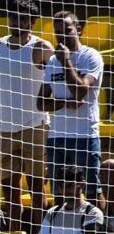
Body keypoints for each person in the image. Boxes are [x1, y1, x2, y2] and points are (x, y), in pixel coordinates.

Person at [0, 0, 52, 230]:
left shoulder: (41, 48)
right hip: (5, 127)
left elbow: (55, 82)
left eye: (24, 18)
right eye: (15, 17)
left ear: (33, 22)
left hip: (34, 125)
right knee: (11, 193)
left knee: (37, 190)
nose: (18, 22)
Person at [42, 11, 105, 205]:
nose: (62, 35)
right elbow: (42, 102)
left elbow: (80, 92)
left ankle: (99, 231)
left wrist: (66, 62)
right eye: (58, 32)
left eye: (67, 30)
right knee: (60, 194)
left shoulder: (91, 57)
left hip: (84, 135)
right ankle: (65, 232)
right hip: (57, 137)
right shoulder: (52, 62)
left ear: (78, 29)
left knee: (92, 190)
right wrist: (65, 103)